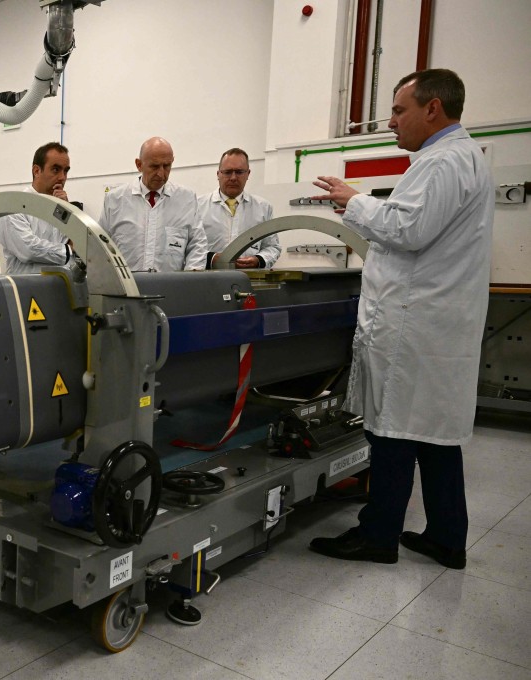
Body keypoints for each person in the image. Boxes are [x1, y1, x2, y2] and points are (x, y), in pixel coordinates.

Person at [309, 69, 493, 569]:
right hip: (434, 323)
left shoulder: (442, 162)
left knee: (393, 430)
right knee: (434, 434)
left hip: (416, 323)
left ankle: (378, 534)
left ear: (432, 108)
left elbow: (406, 229)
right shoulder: (463, 158)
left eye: (397, 110)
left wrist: (355, 201)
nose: (390, 121)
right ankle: (447, 537)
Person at [99, 137, 208, 271]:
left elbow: (198, 245)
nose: (161, 173)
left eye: (167, 166)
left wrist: (190, 279)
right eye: (154, 166)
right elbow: (100, 247)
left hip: (171, 288)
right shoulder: (115, 200)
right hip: (127, 288)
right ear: (139, 165)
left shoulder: (186, 199)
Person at [0, 142, 76, 274]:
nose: (62, 177)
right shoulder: (13, 208)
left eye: (65, 171)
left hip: (60, 289)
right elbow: (28, 250)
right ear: (37, 171)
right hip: (25, 291)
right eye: (56, 169)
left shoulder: (62, 208)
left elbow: (78, 242)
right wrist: (67, 250)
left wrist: (69, 213)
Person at [197, 148, 281, 269]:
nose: (233, 177)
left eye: (239, 172)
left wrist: (259, 260)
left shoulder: (263, 207)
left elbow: (272, 247)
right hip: (208, 280)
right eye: (227, 172)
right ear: (218, 174)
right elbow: (188, 248)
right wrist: (211, 258)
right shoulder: (198, 206)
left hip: (248, 280)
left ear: (248, 174)